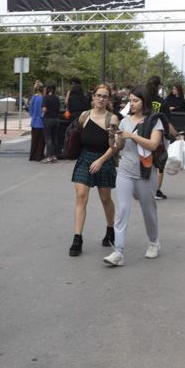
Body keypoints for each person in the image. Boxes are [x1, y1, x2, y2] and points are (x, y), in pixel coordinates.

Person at [103, 86, 163, 267]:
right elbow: (118, 147)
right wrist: (114, 136)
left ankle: (153, 242)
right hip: (125, 171)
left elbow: (153, 145)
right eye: (130, 101)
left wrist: (132, 136)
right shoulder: (124, 121)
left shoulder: (154, 121)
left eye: (136, 100)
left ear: (144, 101)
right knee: (122, 210)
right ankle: (118, 252)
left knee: (148, 210)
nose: (132, 104)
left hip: (145, 172)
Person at [69, 83, 119, 257]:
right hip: (84, 158)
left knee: (105, 198)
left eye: (105, 96)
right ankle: (77, 238)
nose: (101, 99)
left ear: (108, 99)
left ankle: (110, 229)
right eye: (98, 95)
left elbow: (113, 147)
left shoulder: (112, 119)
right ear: (93, 97)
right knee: (81, 196)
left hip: (103, 160)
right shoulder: (84, 115)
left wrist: (101, 160)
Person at [146, 75, 180, 200]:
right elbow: (167, 123)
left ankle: (142, 188)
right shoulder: (162, 102)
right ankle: (156, 190)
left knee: (143, 160)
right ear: (159, 86)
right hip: (158, 136)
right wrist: (177, 135)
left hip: (142, 134)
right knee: (159, 164)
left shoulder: (142, 100)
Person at [42, 84, 61, 163]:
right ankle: (54, 155)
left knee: (48, 138)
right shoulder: (57, 98)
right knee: (54, 138)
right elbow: (59, 108)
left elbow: (44, 109)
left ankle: (49, 156)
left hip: (48, 119)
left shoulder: (45, 98)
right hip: (56, 119)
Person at [28, 81, 46, 161]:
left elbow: (30, 111)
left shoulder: (33, 98)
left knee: (34, 140)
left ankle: (32, 155)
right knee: (41, 141)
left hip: (34, 121)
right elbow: (43, 111)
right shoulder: (42, 98)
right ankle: (39, 155)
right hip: (41, 122)